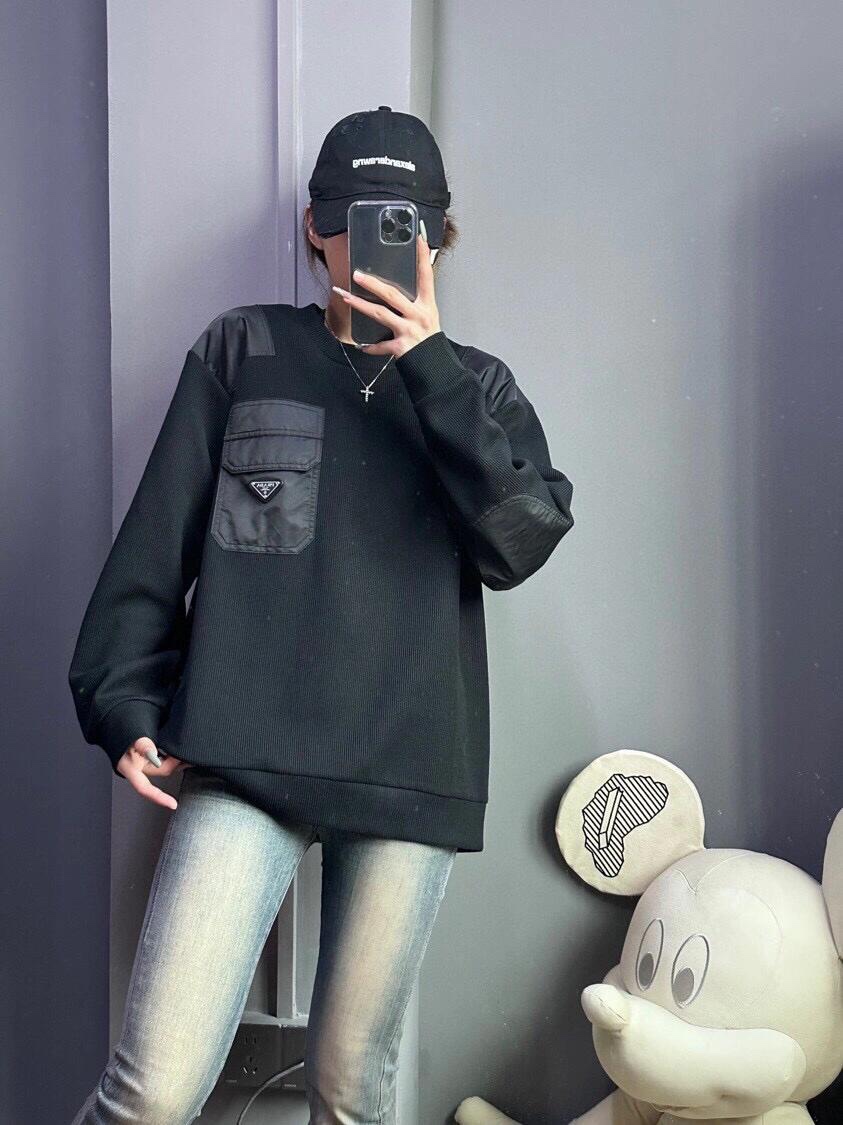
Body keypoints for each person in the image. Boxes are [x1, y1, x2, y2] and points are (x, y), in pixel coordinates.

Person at [68, 106, 574, 1124]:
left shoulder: (478, 387)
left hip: (407, 766)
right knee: (151, 1091)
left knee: (350, 1093)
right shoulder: (243, 349)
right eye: (352, 218)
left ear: (436, 236)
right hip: (244, 757)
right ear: (315, 227)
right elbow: (157, 540)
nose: (373, 242)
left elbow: (518, 543)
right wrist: (122, 700)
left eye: (401, 222)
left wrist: (429, 367)